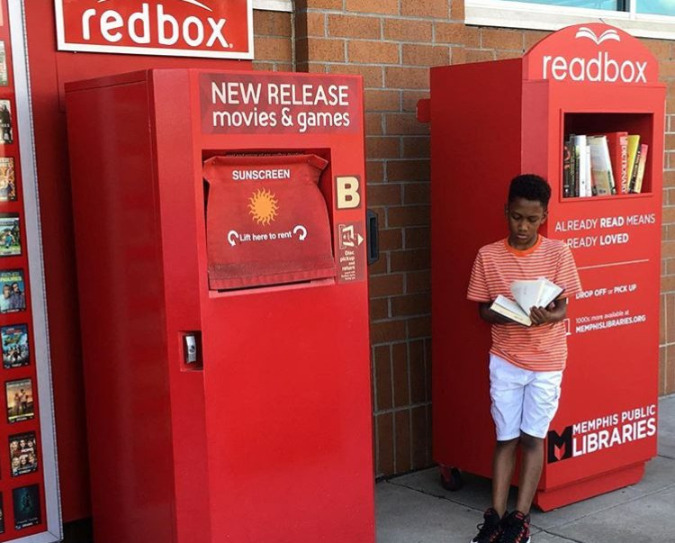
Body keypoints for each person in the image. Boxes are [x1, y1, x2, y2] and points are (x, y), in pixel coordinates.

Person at [467, 174, 581, 543]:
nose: (523, 226)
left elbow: (562, 308)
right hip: (505, 358)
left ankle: (521, 518)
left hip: (547, 361)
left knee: (533, 437)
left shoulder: (558, 253)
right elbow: (483, 310)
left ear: (544, 217)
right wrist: (504, 313)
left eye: (532, 219)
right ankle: (495, 517)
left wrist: (546, 316)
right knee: (506, 437)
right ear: (506, 212)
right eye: (517, 217)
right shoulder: (488, 255)